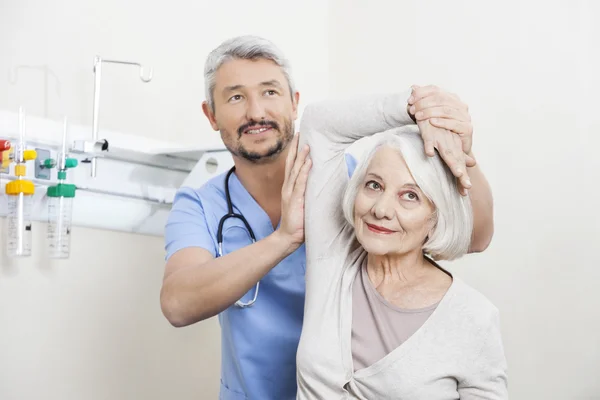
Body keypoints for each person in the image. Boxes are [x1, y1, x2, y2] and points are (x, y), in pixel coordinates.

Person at [160, 35, 494, 400]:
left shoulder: (358, 186)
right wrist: (283, 239)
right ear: (211, 115)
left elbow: (473, 237)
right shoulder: (199, 205)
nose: (256, 112)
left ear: (294, 102)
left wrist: (443, 126)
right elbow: (178, 304)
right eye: (236, 97)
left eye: (270, 92)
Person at [293, 95, 507, 399]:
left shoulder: (473, 316)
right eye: (374, 185)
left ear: (436, 217)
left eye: (410, 196)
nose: (381, 209)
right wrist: (419, 109)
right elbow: (319, 123)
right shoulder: (333, 258)